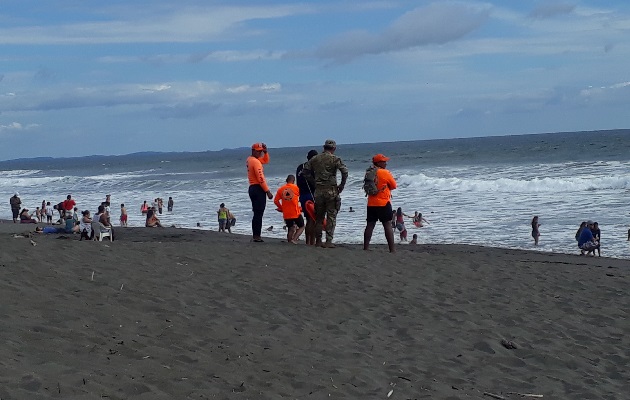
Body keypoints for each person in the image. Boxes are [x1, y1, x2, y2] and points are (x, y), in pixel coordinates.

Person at [302, 139, 348, 248]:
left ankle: (318, 240)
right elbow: (345, 172)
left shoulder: (315, 159)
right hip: (331, 191)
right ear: (334, 149)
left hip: (319, 191)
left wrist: (314, 183)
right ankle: (328, 241)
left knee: (319, 217)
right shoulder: (335, 159)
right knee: (331, 216)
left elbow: (305, 172)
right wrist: (341, 185)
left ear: (324, 147)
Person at [363, 154, 397, 253]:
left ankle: (366, 247)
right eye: (383, 161)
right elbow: (394, 185)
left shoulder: (369, 172)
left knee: (370, 225)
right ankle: (392, 249)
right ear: (378, 163)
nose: (386, 163)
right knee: (387, 225)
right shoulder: (385, 172)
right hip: (383, 202)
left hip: (371, 203)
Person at [246, 142, 273, 242]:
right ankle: (257, 236)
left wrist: (266, 152)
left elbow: (265, 160)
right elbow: (261, 178)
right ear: (253, 151)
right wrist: (267, 191)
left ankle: (256, 235)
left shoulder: (250, 159)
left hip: (252, 188)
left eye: (260, 151)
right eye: (258, 151)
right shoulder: (256, 162)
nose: (259, 153)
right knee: (258, 213)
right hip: (258, 188)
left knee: (257, 213)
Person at [274, 175, 305, 244]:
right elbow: (301, 198)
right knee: (302, 226)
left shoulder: (281, 189)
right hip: (295, 212)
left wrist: (281, 208)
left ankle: (289, 241)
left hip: (286, 213)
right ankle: (294, 239)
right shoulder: (296, 188)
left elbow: (275, 201)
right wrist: (302, 207)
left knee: (290, 228)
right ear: (294, 181)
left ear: (286, 180)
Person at [296, 149, 318, 245]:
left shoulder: (300, 167)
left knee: (308, 218)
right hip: (311, 195)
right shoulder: (313, 167)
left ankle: (307, 241)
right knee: (312, 219)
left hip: (302, 195)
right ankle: (311, 242)